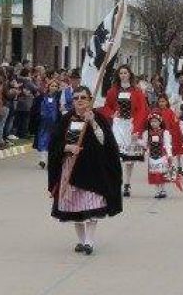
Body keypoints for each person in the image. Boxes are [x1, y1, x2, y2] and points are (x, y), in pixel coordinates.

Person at [48, 85, 122, 255]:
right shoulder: (67, 119)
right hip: (71, 169)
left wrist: (92, 122)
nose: (79, 101)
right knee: (75, 207)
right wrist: (67, 147)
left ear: (90, 100)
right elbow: (55, 144)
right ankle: (81, 241)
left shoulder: (98, 118)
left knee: (92, 206)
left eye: (83, 97)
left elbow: (105, 142)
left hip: (92, 169)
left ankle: (89, 241)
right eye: (76, 98)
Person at [101, 65, 147, 198]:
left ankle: (127, 183)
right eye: (120, 73)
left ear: (129, 74)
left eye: (125, 73)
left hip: (131, 125)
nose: (123, 75)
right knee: (116, 155)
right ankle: (117, 182)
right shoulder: (113, 91)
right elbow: (107, 107)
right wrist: (112, 114)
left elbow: (141, 111)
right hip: (118, 125)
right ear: (118, 75)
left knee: (129, 158)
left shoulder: (137, 92)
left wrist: (137, 129)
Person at [142, 110, 174, 199]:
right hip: (152, 157)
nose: (153, 123)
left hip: (162, 156)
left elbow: (168, 144)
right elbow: (144, 144)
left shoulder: (165, 132)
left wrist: (170, 155)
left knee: (162, 173)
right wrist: (136, 140)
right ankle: (157, 191)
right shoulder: (147, 133)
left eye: (155, 121)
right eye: (151, 121)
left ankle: (163, 189)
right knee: (154, 175)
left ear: (160, 122)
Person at [36, 78, 62, 169]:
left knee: (53, 142)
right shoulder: (42, 97)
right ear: (48, 87)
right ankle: (42, 160)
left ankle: (51, 160)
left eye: (55, 86)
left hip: (55, 123)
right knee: (43, 141)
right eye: (52, 86)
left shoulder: (59, 98)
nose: (54, 87)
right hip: (44, 123)